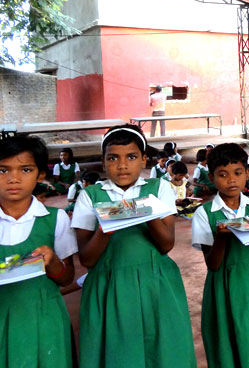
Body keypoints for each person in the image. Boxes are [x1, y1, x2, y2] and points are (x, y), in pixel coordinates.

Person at [71, 124, 196, 368]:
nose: (122, 165)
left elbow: (165, 245)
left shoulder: (158, 188)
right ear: (103, 162)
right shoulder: (90, 196)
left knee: (162, 350)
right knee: (119, 352)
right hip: (109, 285)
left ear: (143, 160)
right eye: (113, 158)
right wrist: (105, 229)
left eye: (131, 157)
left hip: (155, 282)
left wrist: (146, 211)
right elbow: (86, 259)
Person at [191, 143, 249, 368]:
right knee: (231, 342)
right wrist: (222, 237)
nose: (231, 180)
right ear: (212, 178)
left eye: (238, 173)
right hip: (225, 285)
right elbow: (213, 264)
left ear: (247, 175)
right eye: (223, 175)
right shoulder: (205, 213)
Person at [0, 136, 77, 367]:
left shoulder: (55, 219)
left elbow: (67, 277)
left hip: (45, 320)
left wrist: (53, 263)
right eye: (3, 170)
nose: (13, 178)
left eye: (25, 169)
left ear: (40, 175)